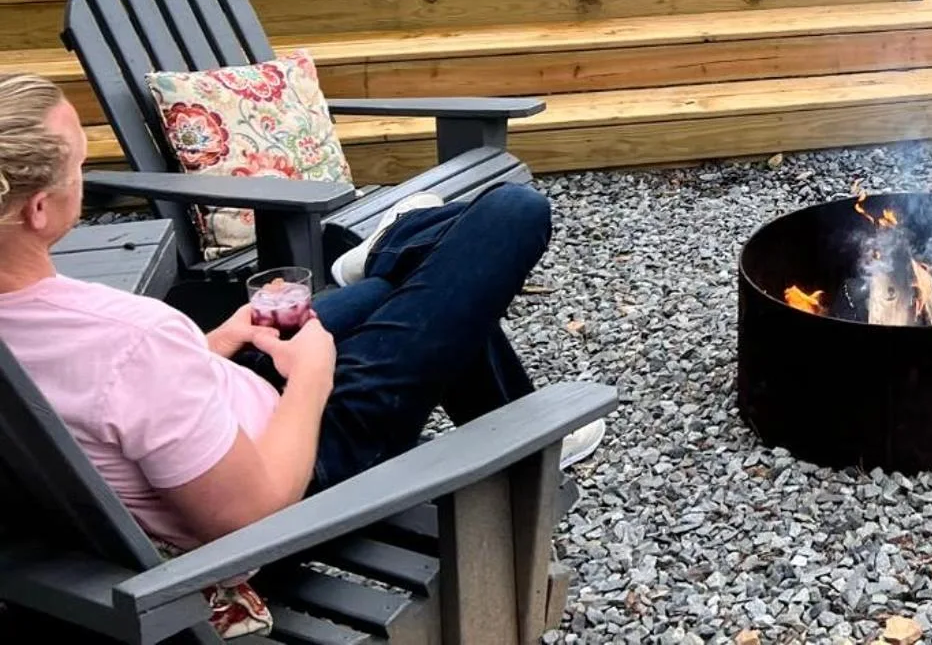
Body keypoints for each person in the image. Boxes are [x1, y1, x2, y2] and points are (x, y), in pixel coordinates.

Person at [0, 73, 601, 551]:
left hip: (227, 411)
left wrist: (214, 342)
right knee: (511, 216)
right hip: (311, 469)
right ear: (40, 209)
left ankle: (395, 255)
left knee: (427, 291)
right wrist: (314, 375)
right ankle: (401, 249)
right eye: (79, 165)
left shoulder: (75, 336)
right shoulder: (132, 338)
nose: (85, 177)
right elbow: (250, 514)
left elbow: (115, 400)